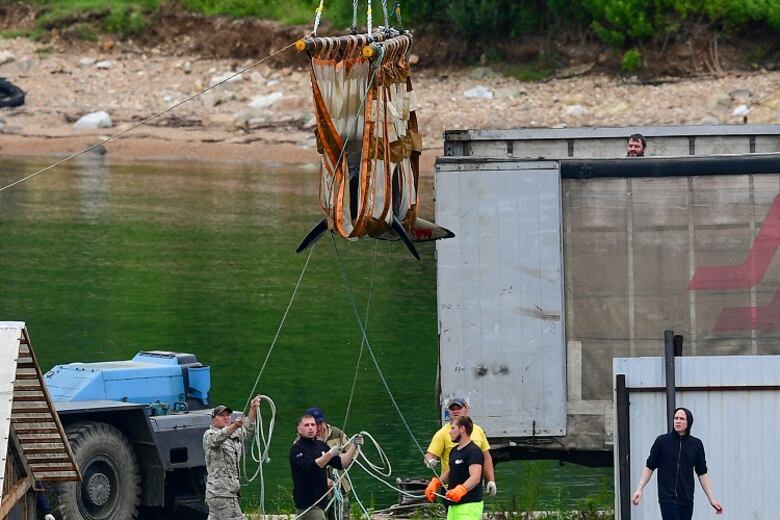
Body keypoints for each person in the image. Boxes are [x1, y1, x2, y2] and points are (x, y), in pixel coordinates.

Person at [632, 407, 724, 520]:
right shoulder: (662, 441)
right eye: (676, 418)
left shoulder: (696, 444)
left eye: (681, 419)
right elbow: (649, 467)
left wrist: (712, 499)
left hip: (687, 498)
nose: (678, 421)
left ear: (688, 422)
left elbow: (702, 473)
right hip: (667, 498)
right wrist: (639, 489)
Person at [290, 413, 364, 520]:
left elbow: (342, 463)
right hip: (308, 504)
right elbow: (310, 467)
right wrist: (330, 454)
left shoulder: (321, 446)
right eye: (306, 425)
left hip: (322, 501)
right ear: (299, 429)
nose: (310, 428)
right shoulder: (297, 449)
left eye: (313, 425)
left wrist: (354, 446)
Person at [203, 396, 261, 520]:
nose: (226, 417)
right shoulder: (209, 435)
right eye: (221, 415)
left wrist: (253, 409)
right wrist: (234, 426)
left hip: (227, 493)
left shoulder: (234, 434)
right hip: (220, 493)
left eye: (228, 415)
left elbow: (247, 428)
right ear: (213, 420)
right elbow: (217, 439)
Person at [424, 398, 496, 497]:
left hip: (472, 488)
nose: (456, 411)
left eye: (459, 408)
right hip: (450, 488)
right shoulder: (442, 434)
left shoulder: (478, 432)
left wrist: (491, 481)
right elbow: (431, 456)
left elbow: (487, 458)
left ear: (467, 409)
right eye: (452, 409)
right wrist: (431, 464)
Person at [424, 416, 485, 520]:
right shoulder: (454, 451)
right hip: (453, 506)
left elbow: (475, 478)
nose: (450, 432)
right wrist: (437, 483)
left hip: (469, 506)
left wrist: (461, 489)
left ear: (462, 429)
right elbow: (452, 471)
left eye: (453, 428)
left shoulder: (473, 451)